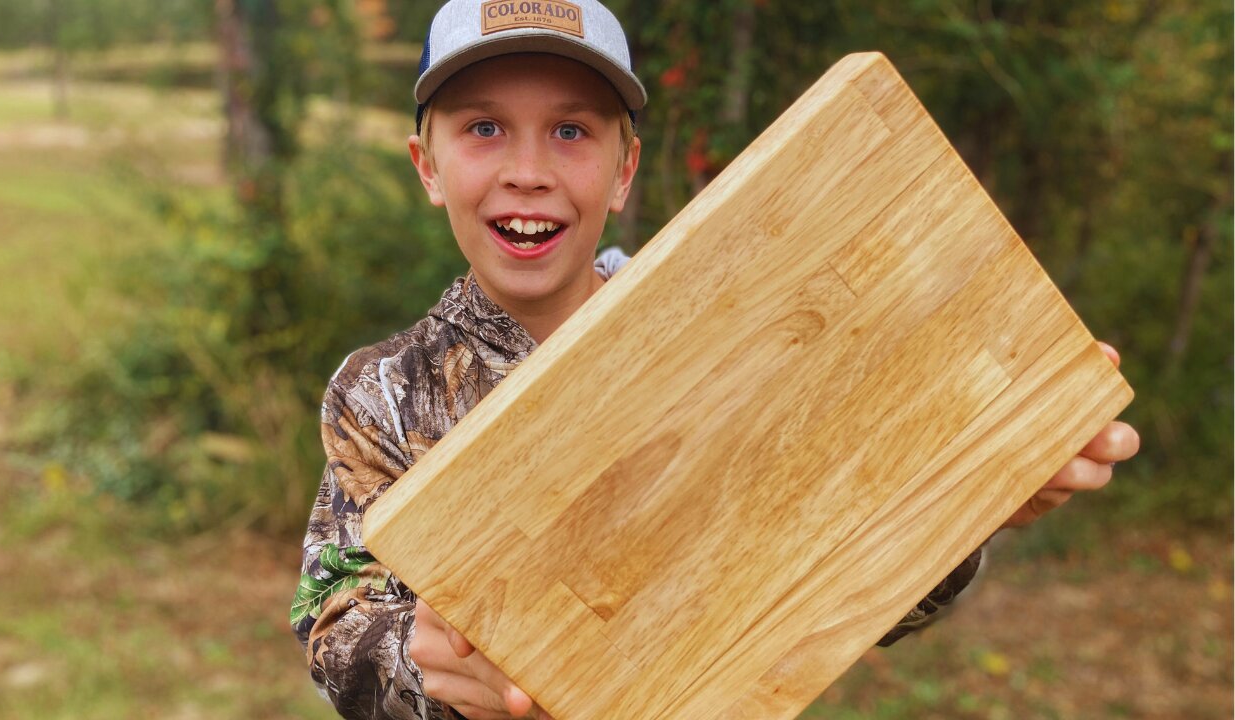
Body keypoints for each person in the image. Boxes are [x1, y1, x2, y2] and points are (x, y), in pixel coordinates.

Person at [290, 2, 1142, 718]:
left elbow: (838, 577)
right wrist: (421, 657)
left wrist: (975, 499)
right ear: (427, 167)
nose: (529, 172)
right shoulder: (382, 391)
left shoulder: (732, 343)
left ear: (624, 171)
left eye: (570, 131)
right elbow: (329, 617)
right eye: (483, 128)